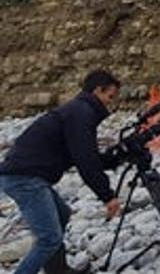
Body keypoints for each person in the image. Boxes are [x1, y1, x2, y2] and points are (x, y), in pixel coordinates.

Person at [0, 71, 123, 274]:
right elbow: (85, 160)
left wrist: (116, 158)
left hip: (30, 175)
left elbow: (85, 155)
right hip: (24, 178)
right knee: (48, 239)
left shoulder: (78, 111)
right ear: (97, 90)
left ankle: (58, 270)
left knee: (62, 214)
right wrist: (107, 196)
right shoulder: (81, 114)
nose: (109, 103)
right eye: (109, 97)